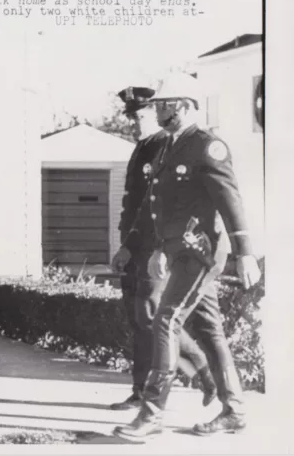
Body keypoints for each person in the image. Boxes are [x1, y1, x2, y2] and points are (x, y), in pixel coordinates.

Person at [112, 72, 262, 442]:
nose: (157, 109)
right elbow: (156, 205)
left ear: (182, 106)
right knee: (210, 332)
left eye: (163, 104)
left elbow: (230, 200)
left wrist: (246, 254)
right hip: (180, 250)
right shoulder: (170, 145)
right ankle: (235, 411)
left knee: (165, 321)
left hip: (202, 252)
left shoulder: (207, 146)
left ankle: (152, 414)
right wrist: (152, 246)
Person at [110, 86, 216, 411]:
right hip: (137, 245)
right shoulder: (145, 147)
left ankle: (201, 372)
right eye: (131, 117)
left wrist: (158, 248)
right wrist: (127, 244)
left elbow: (164, 205)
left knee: (152, 316)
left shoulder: (165, 146)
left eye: (140, 115)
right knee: (139, 318)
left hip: (158, 249)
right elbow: (137, 205)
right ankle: (141, 388)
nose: (134, 123)